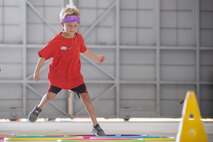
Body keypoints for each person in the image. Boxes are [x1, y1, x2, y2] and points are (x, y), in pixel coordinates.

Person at [28, 5, 106, 136]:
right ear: (62, 24)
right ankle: (38, 108)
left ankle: (96, 125)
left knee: (86, 97)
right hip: (58, 76)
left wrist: (96, 58)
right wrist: (36, 72)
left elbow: (84, 50)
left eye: (75, 26)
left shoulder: (78, 38)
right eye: (69, 25)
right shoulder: (56, 42)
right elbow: (42, 57)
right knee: (50, 96)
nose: (72, 28)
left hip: (75, 76)